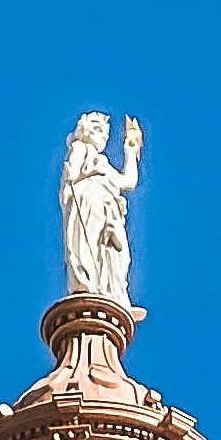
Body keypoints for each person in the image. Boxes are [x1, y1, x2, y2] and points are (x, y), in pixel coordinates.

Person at [59, 112, 142, 302]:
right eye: (97, 129)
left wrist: (130, 153)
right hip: (89, 198)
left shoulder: (104, 163)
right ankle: (88, 283)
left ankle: (114, 292)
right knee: (90, 242)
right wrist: (68, 185)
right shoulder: (80, 147)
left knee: (117, 252)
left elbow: (128, 181)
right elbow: (70, 177)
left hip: (110, 207)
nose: (102, 135)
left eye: (105, 132)